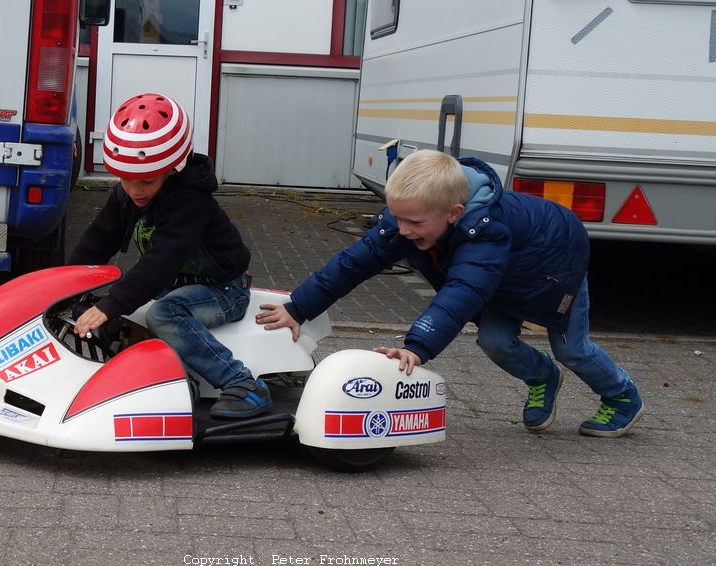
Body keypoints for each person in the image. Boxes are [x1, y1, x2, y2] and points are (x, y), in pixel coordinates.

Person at [256, 150, 644, 438]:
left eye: (414, 222)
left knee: (572, 349)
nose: (402, 230)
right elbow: (354, 263)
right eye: (396, 216)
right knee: (494, 340)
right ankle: (542, 376)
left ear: (454, 213)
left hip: (555, 272)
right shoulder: (409, 219)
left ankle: (622, 397)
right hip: (502, 278)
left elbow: (464, 290)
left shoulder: (486, 230)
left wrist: (417, 346)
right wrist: (298, 307)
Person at [69, 92, 271, 419]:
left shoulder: (190, 201)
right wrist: (63, 287)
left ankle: (243, 384)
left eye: (146, 180)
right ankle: (153, 380)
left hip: (222, 290)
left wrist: (112, 304)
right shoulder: (127, 194)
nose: (134, 189)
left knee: (163, 313)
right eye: (126, 178)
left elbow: (160, 261)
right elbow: (96, 241)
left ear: (171, 170)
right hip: (174, 283)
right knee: (100, 307)